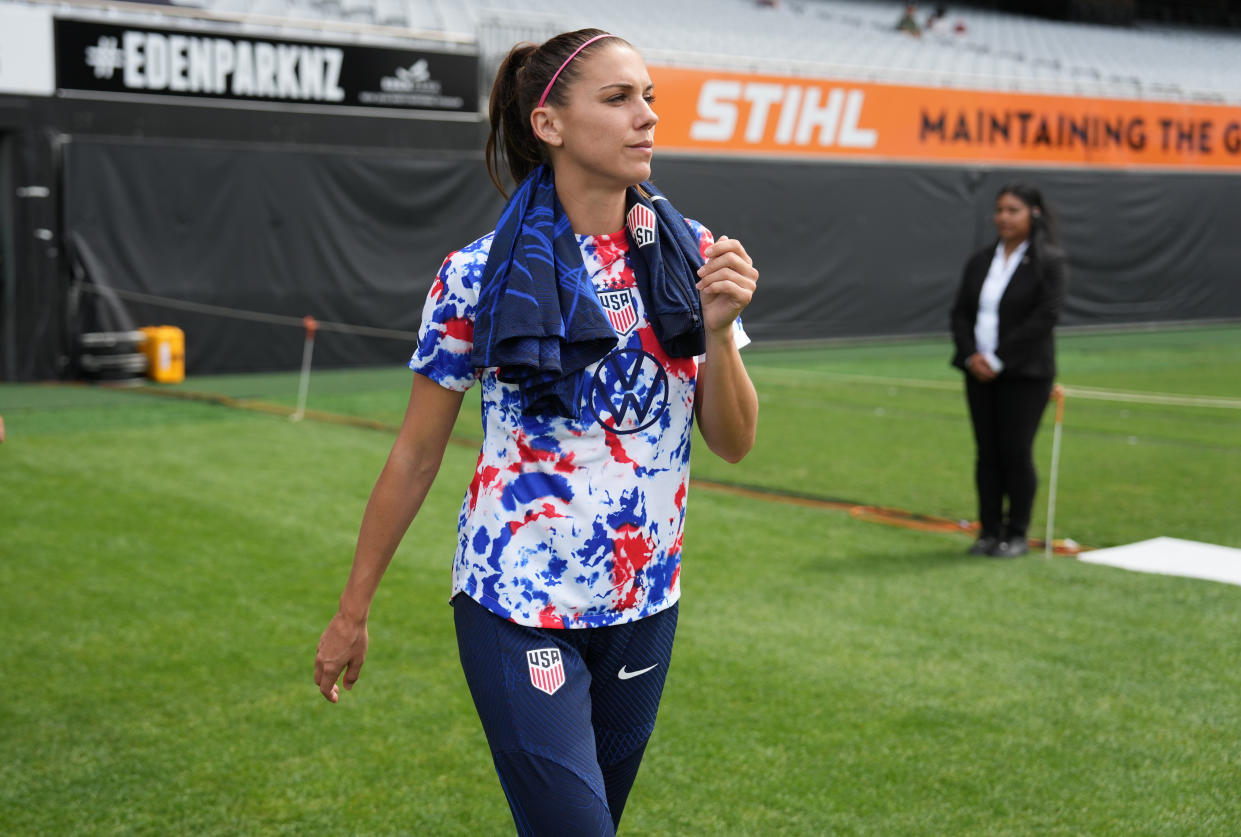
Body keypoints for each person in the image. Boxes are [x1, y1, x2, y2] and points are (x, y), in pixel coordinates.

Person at [314, 28, 759, 836]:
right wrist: (354, 607)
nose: (647, 118)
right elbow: (416, 452)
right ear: (549, 124)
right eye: (618, 99)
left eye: (649, 97)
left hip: (643, 604)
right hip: (516, 601)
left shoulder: (688, 254)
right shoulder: (476, 275)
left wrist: (719, 331)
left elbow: (732, 440)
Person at [950, 182, 1068, 559]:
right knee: (987, 453)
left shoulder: (1049, 260)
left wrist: (999, 358)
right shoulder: (982, 259)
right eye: (1000, 210)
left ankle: (1016, 533)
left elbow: (1044, 317)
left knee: (1015, 451)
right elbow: (961, 312)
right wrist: (972, 357)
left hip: (1024, 374)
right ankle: (989, 531)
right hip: (978, 372)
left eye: (1012, 210)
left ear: (1032, 213)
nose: (1003, 217)